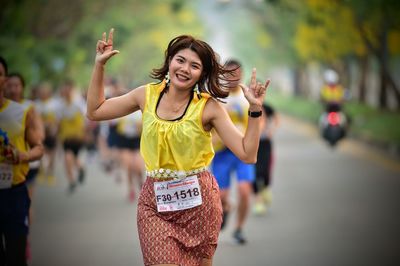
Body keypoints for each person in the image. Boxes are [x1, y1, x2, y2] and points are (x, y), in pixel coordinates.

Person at [86, 29, 270, 266]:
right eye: (180, 60)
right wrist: (99, 67)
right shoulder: (145, 95)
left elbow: (247, 154)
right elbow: (95, 111)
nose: (185, 69)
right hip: (155, 203)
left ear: (202, 73)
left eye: (194, 66)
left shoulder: (209, 108)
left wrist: (254, 109)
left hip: (200, 204)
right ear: (169, 61)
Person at [0, 56, 44, 266]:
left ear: (4, 79)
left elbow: (38, 147)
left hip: (14, 191)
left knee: (16, 256)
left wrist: (22, 155)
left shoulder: (22, 111)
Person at [211, 59, 255, 244]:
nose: (232, 78)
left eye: (236, 74)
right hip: (222, 153)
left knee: (245, 191)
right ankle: (227, 208)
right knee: (221, 197)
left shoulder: (248, 97)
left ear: (241, 75)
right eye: (228, 74)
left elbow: (257, 122)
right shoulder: (217, 98)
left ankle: (239, 228)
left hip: (242, 153)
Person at [58, 80, 87, 194]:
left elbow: (86, 117)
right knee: (67, 158)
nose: (66, 92)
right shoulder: (60, 105)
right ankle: (71, 181)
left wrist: (85, 133)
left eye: (68, 89)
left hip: (77, 137)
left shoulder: (78, 102)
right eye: (64, 89)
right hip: (66, 137)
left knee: (74, 158)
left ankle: (81, 169)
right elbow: (59, 122)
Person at [252, 102, 279, 215]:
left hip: (265, 144)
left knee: (265, 172)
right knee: (254, 173)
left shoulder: (267, 107)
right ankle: (258, 201)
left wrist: (271, 131)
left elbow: (277, 118)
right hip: (253, 144)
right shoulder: (247, 107)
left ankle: (265, 188)